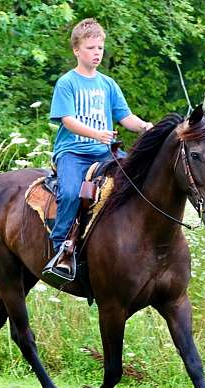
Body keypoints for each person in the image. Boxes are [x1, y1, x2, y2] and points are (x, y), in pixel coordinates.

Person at [45, 18, 152, 275]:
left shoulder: (108, 84)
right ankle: (60, 249)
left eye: (100, 48)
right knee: (71, 193)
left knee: (139, 179)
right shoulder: (67, 83)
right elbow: (68, 121)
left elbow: (125, 117)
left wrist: (147, 126)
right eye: (91, 48)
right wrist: (97, 134)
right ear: (76, 50)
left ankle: (131, 240)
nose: (96, 53)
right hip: (73, 152)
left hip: (105, 153)